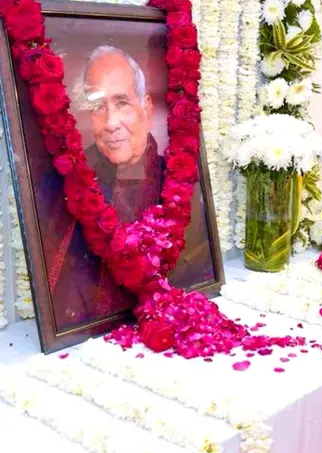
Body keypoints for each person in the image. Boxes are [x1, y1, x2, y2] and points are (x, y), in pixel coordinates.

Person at [40, 45, 211, 329]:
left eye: (122, 103)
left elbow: (196, 273)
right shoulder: (61, 186)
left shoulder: (178, 184)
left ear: (146, 107)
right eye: (97, 106)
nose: (110, 123)